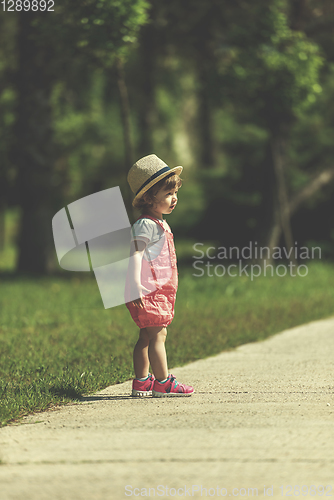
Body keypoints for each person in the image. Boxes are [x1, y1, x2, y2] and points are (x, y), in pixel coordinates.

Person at [125, 154, 194, 398]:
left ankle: (142, 381)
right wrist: (134, 284)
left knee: (147, 334)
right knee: (157, 334)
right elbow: (135, 254)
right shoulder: (146, 225)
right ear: (148, 198)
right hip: (148, 289)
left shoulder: (159, 223)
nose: (174, 198)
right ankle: (163, 381)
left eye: (175, 192)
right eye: (167, 194)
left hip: (157, 289)